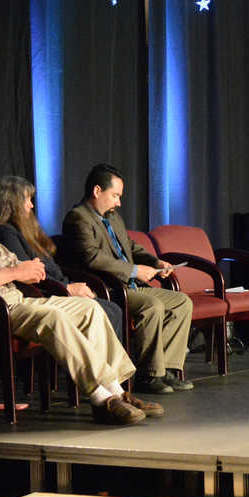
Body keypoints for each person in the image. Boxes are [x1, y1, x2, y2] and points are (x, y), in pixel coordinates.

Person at [0, 167, 162, 425]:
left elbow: (17, 266)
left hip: (15, 302)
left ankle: (117, 392)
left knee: (90, 309)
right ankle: (100, 398)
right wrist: (17, 271)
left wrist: (28, 270)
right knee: (52, 316)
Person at [60, 163, 194, 395]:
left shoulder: (113, 218)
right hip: (109, 289)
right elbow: (92, 258)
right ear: (97, 191)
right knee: (152, 305)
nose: (118, 202)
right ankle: (149, 375)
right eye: (115, 195)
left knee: (182, 302)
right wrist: (134, 271)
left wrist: (155, 262)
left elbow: (130, 246)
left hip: (130, 285)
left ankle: (168, 369)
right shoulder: (77, 219)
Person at [0, 175, 125, 341]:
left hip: (59, 287)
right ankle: (92, 366)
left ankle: (108, 365)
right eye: (27, 200)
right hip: (45, 293)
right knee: (108, 310)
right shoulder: (6, 232)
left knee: (113, 309)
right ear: (13, 203)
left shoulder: (26, 229)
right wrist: (68, 288)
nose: (31, 205)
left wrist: (71, 285)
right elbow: (28, 273)